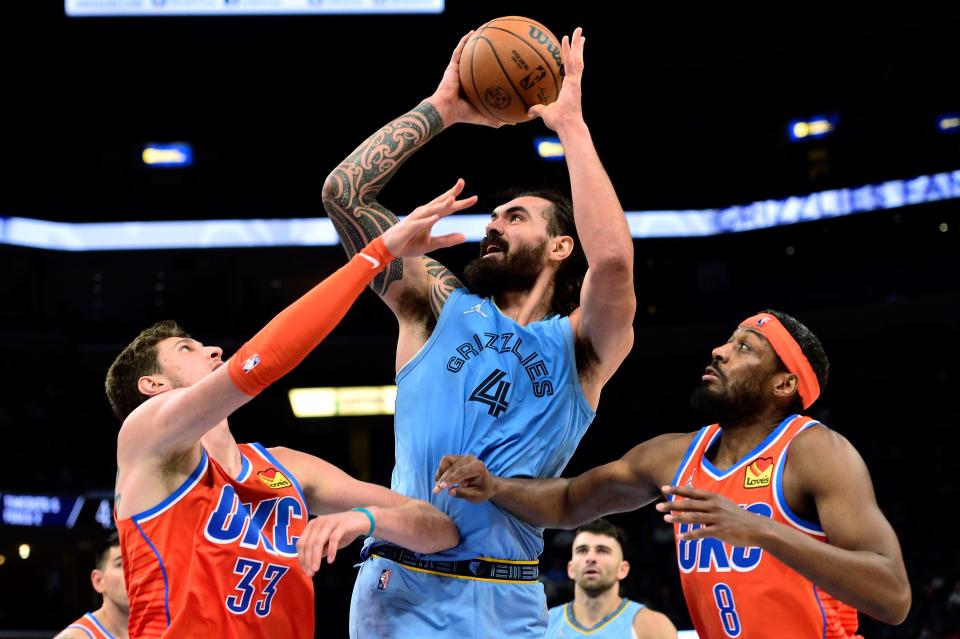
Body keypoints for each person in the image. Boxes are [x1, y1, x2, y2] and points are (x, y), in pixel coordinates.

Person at [322, 27, 635, 638]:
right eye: (493, 215)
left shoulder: (581, 348)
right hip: (396, 585)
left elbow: (615, 264)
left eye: (514, 218)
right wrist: (444, 108)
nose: (493, 226)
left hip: (505, 593)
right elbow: (344, 193)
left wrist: (571, 126)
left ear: (559, 247)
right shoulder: (439, 305)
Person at [106, 191, 466, 637]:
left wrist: (368, 520)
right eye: (188, 349)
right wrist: (378, 254)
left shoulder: (287, 467)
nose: (214, 349)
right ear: (153, 386)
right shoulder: (144, 439)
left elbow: (441, 529)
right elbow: (261, 362)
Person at [436, 309, 912, 638]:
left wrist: (762, 530)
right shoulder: (675, 456)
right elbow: (567, 501)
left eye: (744, 347)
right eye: (728, 339)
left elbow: (892, 596)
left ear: (784, 383)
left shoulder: (815, 451)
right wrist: (494, 484)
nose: (720, 351)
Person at [545, 519, 676, 639]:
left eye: (602, 551)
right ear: (571, 569)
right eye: (582, 550)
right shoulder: (545, 625)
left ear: (622, 569)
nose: (591, 558)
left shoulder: (652, 626)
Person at [55, 532, 129, 639]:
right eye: (120, 564)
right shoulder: (76, 636)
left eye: (138, 563)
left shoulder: (159, 630)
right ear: (98, 581)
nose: (133, 572)